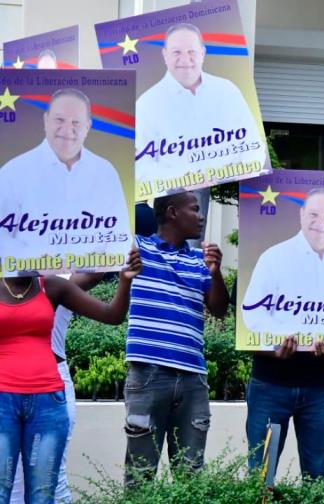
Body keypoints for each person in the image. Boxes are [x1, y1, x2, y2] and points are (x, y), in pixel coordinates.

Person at [0, 252, 141, 504]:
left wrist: (125, 280)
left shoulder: (52, 286)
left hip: (47, 402)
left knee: (43, 494)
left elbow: (112, 315)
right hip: (2, 402)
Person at [123, 191, 229, 486]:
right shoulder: (137, 250)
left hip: (193, 378)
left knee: (190, 476)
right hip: (148, 374)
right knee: (140, 476)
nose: (201, 215)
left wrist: (216, 273)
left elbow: (219, 309)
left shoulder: (200, 260)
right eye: (195, 209)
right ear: (172, 213)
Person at [0, 88, 131, 264]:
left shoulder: (105, 172)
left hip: (96, 283)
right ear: (46, 121)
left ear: (87, 127)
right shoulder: (13, 173)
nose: (67, 129)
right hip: (32, 282)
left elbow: (120, 235)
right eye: (59, 119)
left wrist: (98, 272)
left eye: (76, 122)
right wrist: (34, 263)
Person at [10, 273, 105, 504]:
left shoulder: (58, 281)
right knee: (11, 480)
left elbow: (98, 272)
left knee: (51, 473)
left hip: (51, 379)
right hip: (8, 381)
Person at [135, 22, 265, 187]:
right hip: (173, 195)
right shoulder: (147, 104)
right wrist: (184, 178)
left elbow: (253, 143)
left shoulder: (227, 91)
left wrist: (248, 170)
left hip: (228, 191)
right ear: (165, 55)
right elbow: (140, 165)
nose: (185, 59)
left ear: (202, 53)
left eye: (191, 51)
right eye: (177, 52)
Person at [241, 188, 324, 344]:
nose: (320, 223)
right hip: (276, 360)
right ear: (302, 214)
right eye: (313, 214)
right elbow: (254, 314)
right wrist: (292, 339)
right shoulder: (272, 258)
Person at [245, 336, 324, 481]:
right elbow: (243, 331)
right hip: (270, 387)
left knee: (318, 476)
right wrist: (271, 350)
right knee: (262, 475)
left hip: (318, 387)